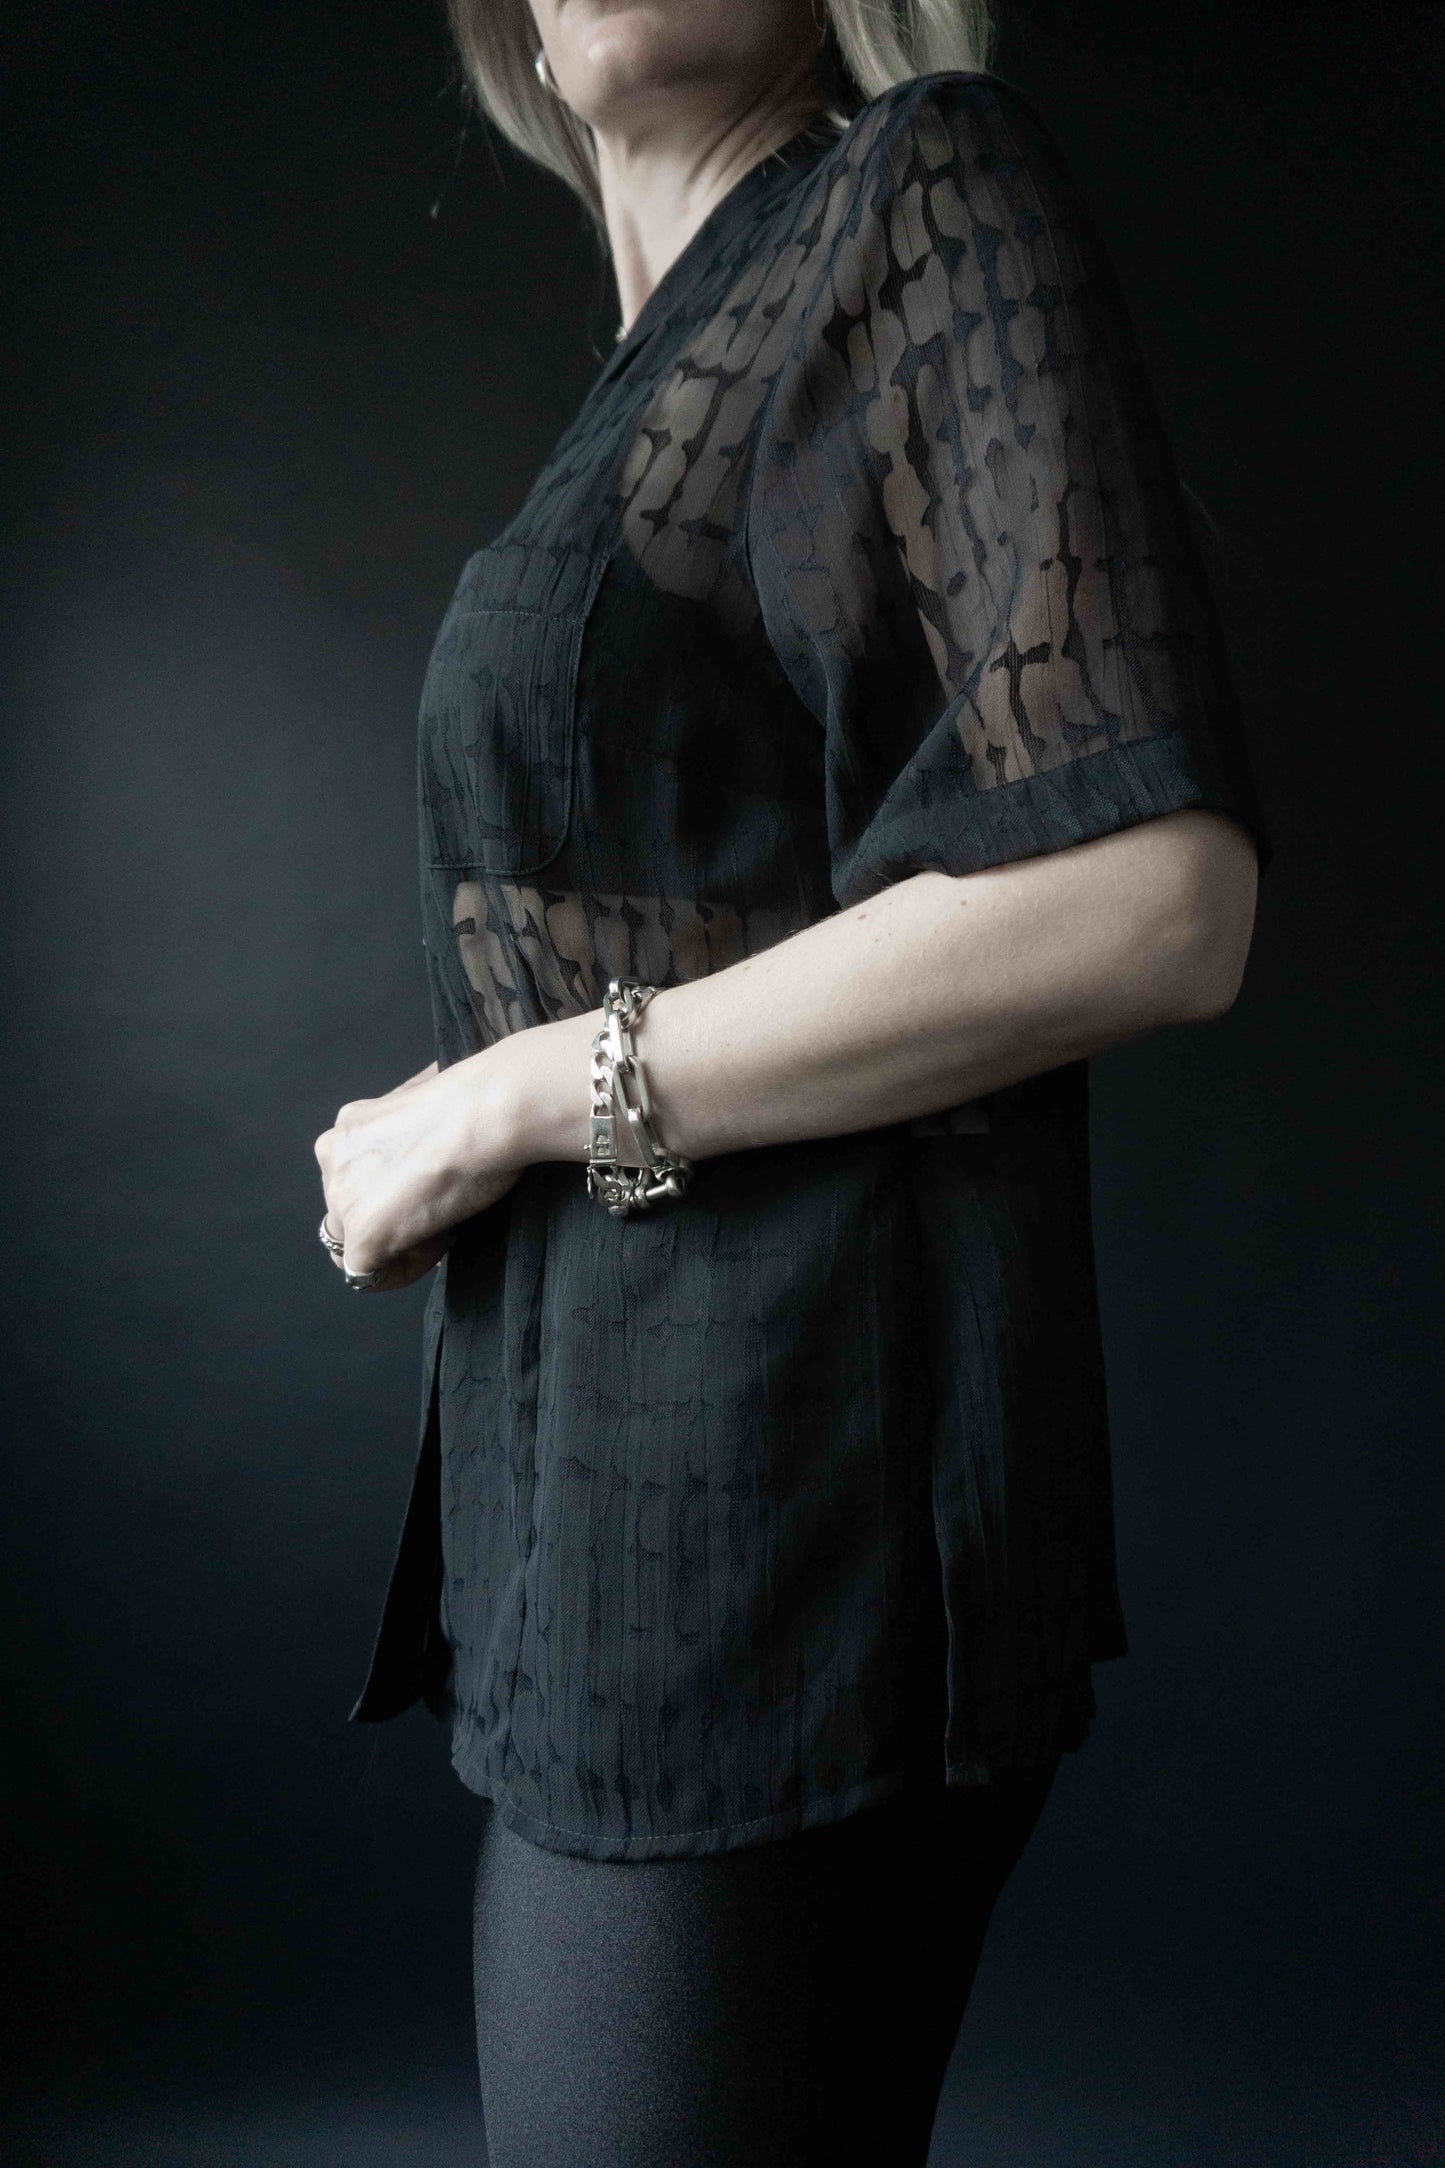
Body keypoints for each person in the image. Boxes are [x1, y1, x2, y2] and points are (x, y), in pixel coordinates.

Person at [313, 2, 1270, 2160]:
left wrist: (515, 1096)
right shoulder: (662, 364)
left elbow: (1151, 893)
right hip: (608, 1528)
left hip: (783, 1524)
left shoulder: (919, 182)